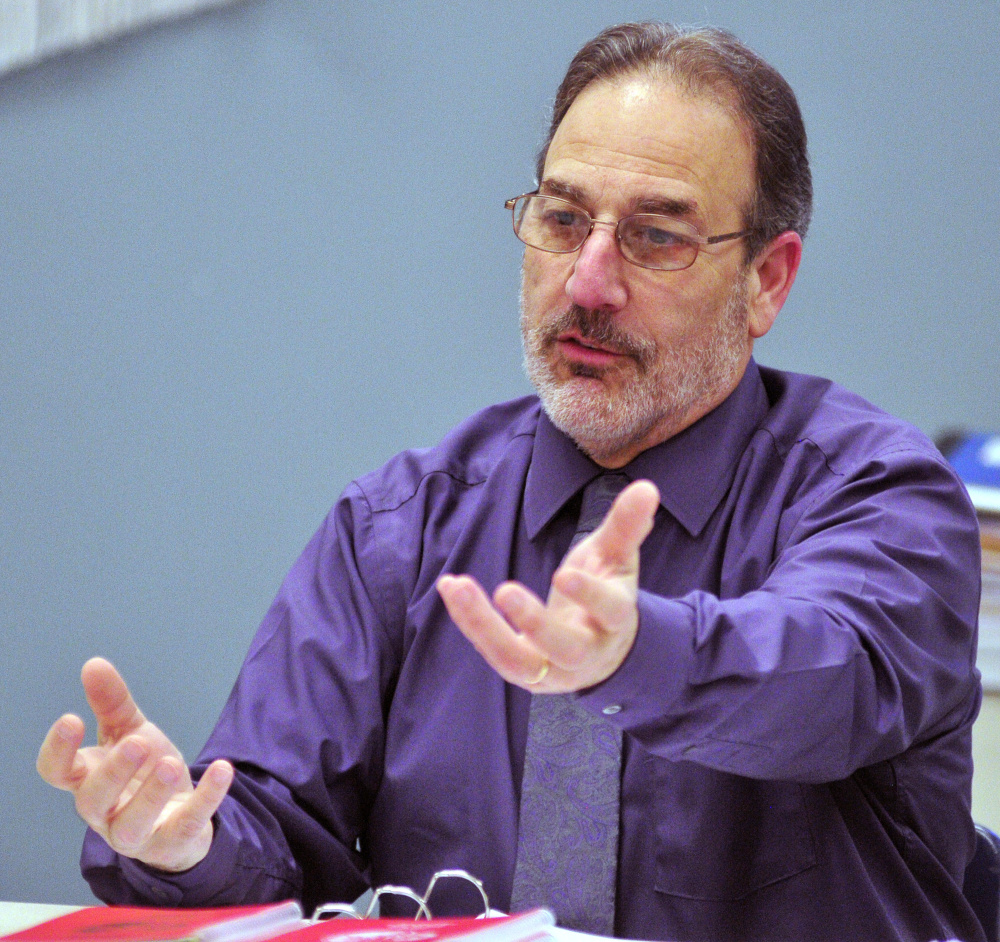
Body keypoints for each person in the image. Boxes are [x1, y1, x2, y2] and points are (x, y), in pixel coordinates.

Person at [37, 21, 984, 942]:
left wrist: (636, 656)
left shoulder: (879, 495)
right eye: (563, 220)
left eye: (655, 237)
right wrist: (187, 847)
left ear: (766, 281)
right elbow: (282, 843)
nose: (587, 282)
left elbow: (830, 677)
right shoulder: (398, 530)